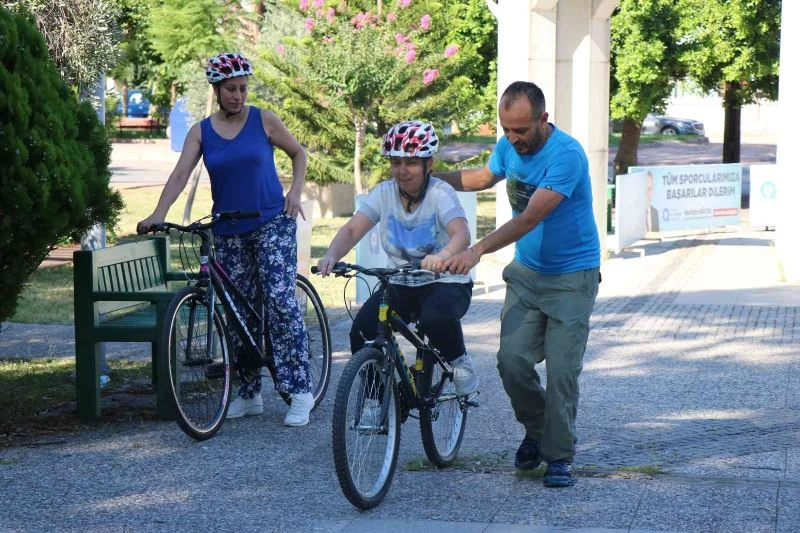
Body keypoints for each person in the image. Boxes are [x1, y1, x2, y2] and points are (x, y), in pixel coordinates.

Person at [136, 52, 314, 427]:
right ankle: (249, 395)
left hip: (272, 222)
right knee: (236, 311)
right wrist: (158, 214)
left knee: (280, 301)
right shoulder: (201, 131)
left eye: (243, 88)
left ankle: (300, 390)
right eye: (231, 89)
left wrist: (295, 192)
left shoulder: (263, 119)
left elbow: (299, 153)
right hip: (228, 230)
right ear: (216, 89)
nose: (238, 95)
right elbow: (181, 173)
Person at [439, 81, 601, 488]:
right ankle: (538, 430)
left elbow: (529, 218)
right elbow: (481, 176)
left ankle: (559, 455)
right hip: (528, 274)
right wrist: (428, 175)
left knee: (563, 371)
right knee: (511, 363)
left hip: (571, 277)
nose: (513, 139)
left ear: (543, 120)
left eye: (521, 131)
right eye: (506, 130)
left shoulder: (567, 155)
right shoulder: (509, 145)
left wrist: (476, 251)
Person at [316, 120, 479, 397]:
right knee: (362, 332)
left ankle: (460, 361)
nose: (402, 171)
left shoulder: (440, 193)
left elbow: (461, 234)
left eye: (412, 163)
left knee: (434, 319)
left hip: (445, 281)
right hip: (401, 282)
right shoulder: (383, 193)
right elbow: (354, 228)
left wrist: (443, 255)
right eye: (396, 163)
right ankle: (376, 399)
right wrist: (332, 254)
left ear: (429, 164)